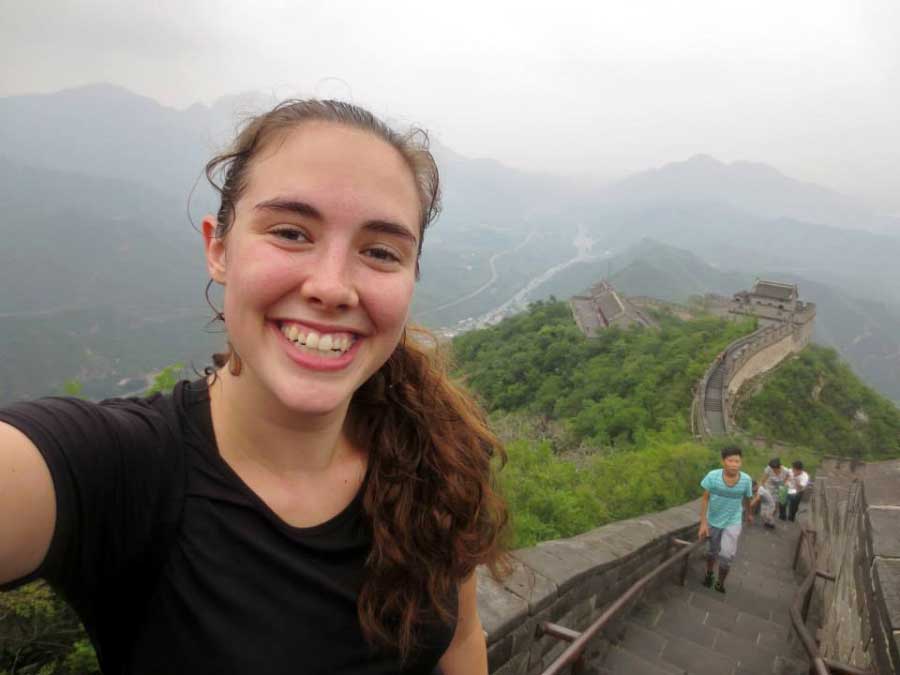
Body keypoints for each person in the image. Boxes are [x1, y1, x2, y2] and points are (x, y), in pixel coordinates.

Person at [0, 100, 509, 674]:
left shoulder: (433, 455)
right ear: (219, 248)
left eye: (380, 252)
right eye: (292, 232)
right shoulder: (124, 471)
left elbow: (463, 641)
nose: (333, 286)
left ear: (411, 277)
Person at [698, 446, 754, 593]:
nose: (734, 464)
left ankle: (720, 582)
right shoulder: (712, 476)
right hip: (713, 519)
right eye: (731, 461)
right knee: (712, 551)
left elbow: (747, 498)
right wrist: (703, 523)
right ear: (723, 461)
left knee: (726, 555)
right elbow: (705, 499)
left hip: (733, 521)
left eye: (737, 461)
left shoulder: (746, 480)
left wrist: (748, 513)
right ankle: (709, 573)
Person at [753, 457, 790, 528]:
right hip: (769, 487)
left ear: (779, 467)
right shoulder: (769, 469)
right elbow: (763, 480)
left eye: (775, 469)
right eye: (772, 468)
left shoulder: (785, 470)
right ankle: (767, 519)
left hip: (780, 488)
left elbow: (788, 477)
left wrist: (784, 484)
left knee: (775, 506)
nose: (773, 470)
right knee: (767, 504)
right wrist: (761, 489)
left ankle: (771, 518)